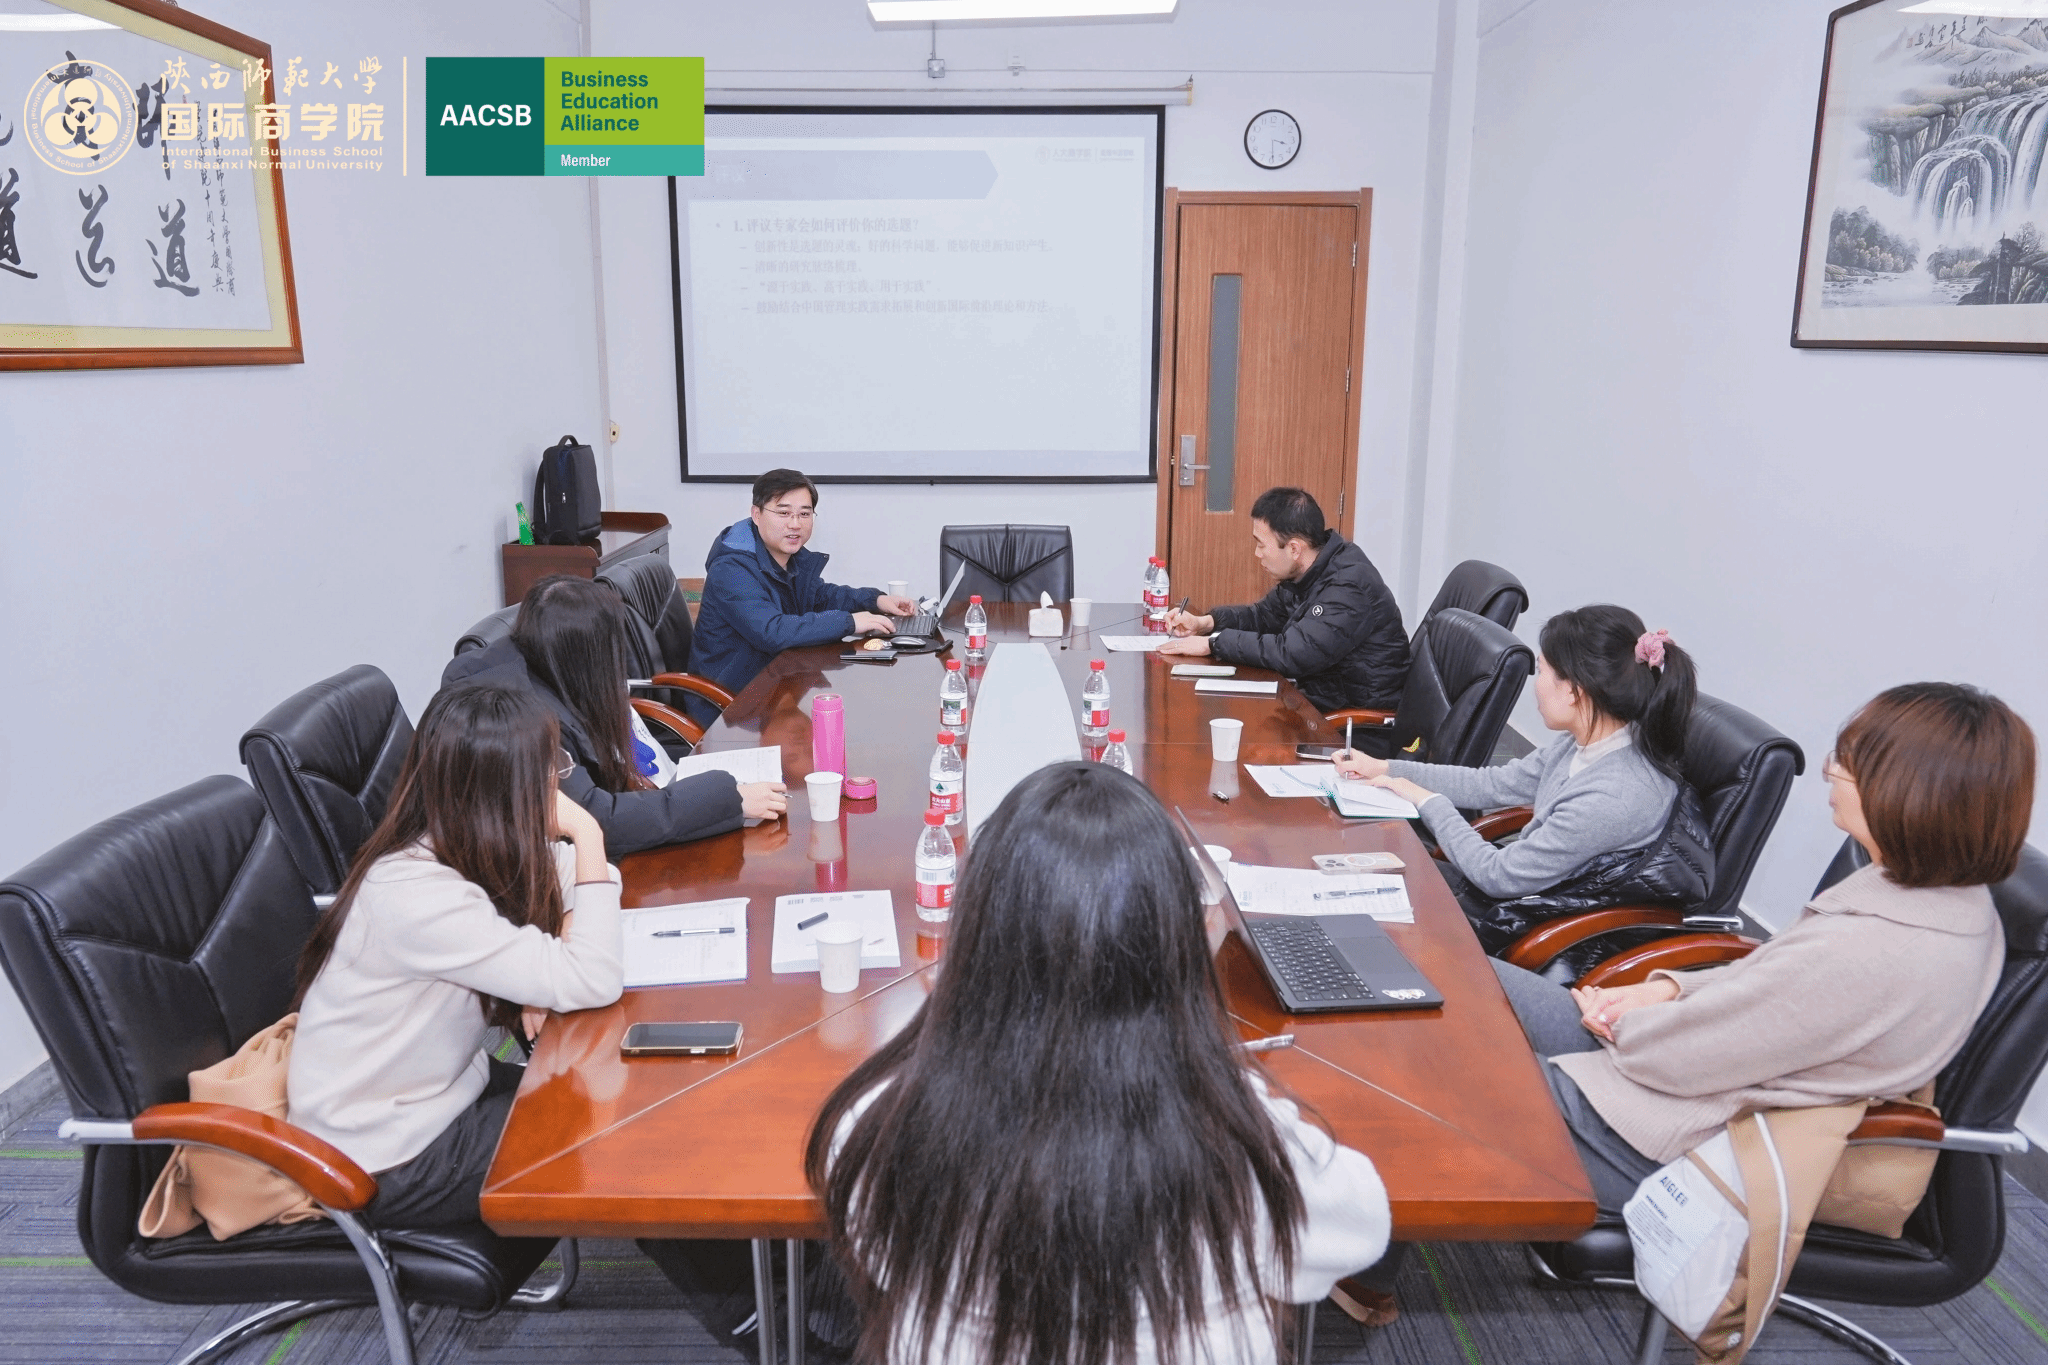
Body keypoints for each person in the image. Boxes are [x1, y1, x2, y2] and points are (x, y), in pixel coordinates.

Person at [804, 762, 1389, 1364]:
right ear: (1175, 943)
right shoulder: (1247, 1152)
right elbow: (1365, 1226)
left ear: (978, 931)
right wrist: (1224, 1077)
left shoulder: (878, 1128)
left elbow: (878, 1253)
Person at [1491, 681, 2030, 1216]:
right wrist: (1668, 989)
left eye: (1849, 762)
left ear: (1910, 793)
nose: (1831, 771)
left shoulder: (1874, 951)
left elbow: (1687, 1055)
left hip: (1656, 1132)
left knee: (1457, 1062)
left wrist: (1622, 1023)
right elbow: (1772, 985)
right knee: (1466, 980)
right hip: (1677, 1074)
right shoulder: (1949, 900)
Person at [286, 683, 626, 1227]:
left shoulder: (466, 843)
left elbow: (593, 880)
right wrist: (587, 830)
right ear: (502, 791)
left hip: (443, 1090)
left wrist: (561, 937)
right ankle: (742, 1278)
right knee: (617, 1133)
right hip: (384, 1151)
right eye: (548, 774)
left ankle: (745, 1268)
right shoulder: (418, 897)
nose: (558, 786)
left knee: (624, 1099)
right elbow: (594, 978)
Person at [1337, 604, 1695, 947]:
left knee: (1360, 906)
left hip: (1536, 926)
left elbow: (1498, 876)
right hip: (1525, 895)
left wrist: (1428, 801)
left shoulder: (1612, 798)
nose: (1536, 684)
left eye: (1542, 671)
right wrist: (1386, 768)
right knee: (1355, 872)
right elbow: (1492, 784)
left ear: (1574, 691)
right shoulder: (1586, 742)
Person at [443, 575, 787, 855]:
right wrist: (730, 799)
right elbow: (596, 818)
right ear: (586, 654)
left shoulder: (537, 659)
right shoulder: (518, 714)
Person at [1159, 487, 1409, 752]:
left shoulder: (1348, 586)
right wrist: (1206, 623)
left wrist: (1213, 644)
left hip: (1355, 728)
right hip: (1315, 703)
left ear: (1294, 549)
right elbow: (1263, 616)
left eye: (1261, 544)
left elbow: (1292, 654)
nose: (1257, 554)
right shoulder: (1309, 572)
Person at [690, 468, 918, 709]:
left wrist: (875, 600)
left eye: (804, 514)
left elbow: (820, 596)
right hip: (731, 705)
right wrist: (850, 622)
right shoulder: (731, 569)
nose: (795, 524)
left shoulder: (786, 556)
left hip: (775, 688)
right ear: (756, 514)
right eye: (784, 513)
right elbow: (772, 632)